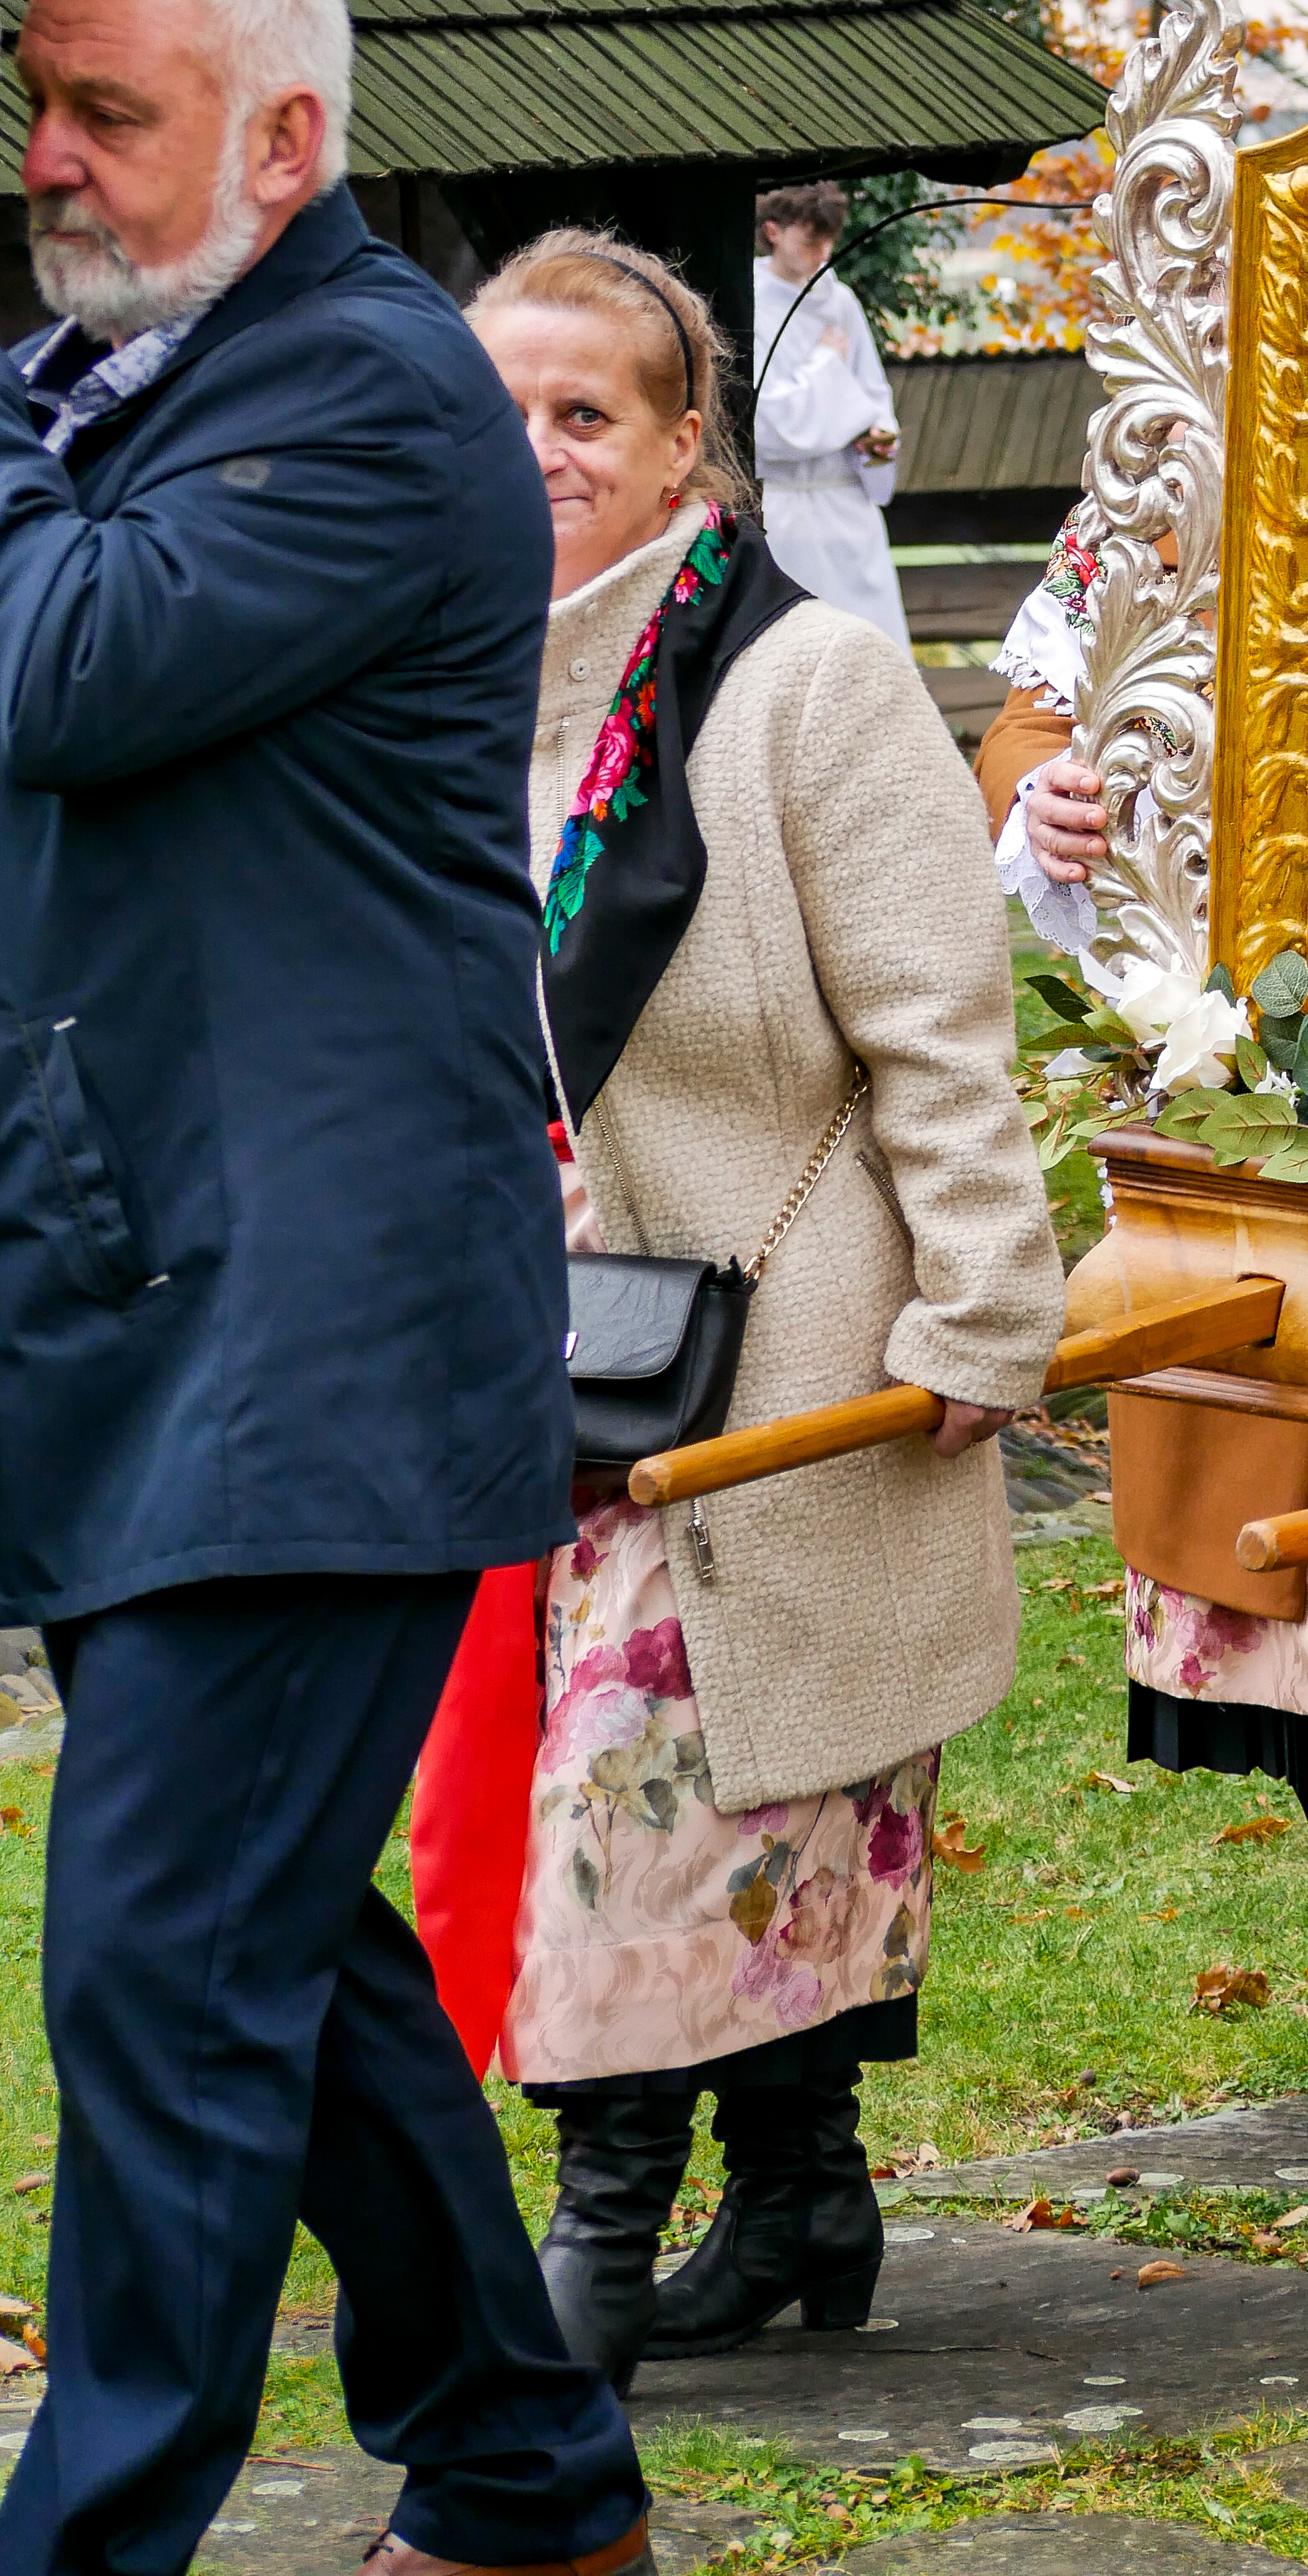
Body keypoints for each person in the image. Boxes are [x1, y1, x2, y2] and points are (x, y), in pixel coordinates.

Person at [0, 0, 646, 2576]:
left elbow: (59, 667)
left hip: (325, 1327)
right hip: (166, 1308)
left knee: (160, 1955)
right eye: (35, 102)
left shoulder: (371, 402)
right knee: (268, 1932)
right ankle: (519, 2466)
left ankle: (90, 2534)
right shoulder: (115, 381)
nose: (43, 158)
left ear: (286, 141)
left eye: (106, 114)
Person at [454, 233, 1065, 2384]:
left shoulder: (804, 682)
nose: (534, 457)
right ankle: (805, 2196)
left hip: (773, 1347)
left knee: (647, 1790)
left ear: (687, 442)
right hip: (513, 1355)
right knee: (725, 1806)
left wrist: (982, 1322)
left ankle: (593, 2249)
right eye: (498, 412)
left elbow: (940, 1038)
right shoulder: (431, 678)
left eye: (583, 416)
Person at [975, 518, 1308, 2159]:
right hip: (1232, 1087)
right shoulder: (1171, 474)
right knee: (1265, 1592)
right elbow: (1034, 695)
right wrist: (1042, 789)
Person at [750, 179, 906, 645]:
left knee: (872, 644)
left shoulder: (840, 303)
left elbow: (873, 394)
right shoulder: (751, 302)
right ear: (773, 231)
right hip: (788, 515)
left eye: (830, 242)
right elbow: (768, 423)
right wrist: (824, 364)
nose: (824, 253)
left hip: (847, 510)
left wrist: (877, 437)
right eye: (811, 241)